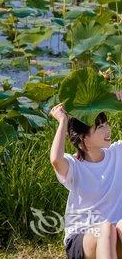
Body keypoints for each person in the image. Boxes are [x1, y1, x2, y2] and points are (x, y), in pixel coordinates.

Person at [50, 91, 122, 259]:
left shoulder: (118, 152)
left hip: (115, 235)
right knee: (106, 229)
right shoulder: (74, 166)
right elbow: (55, 159)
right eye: (100, 127)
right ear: (84, 140)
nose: (108, 130)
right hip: (82, 241)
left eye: (106, 124)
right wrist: (63, 121)